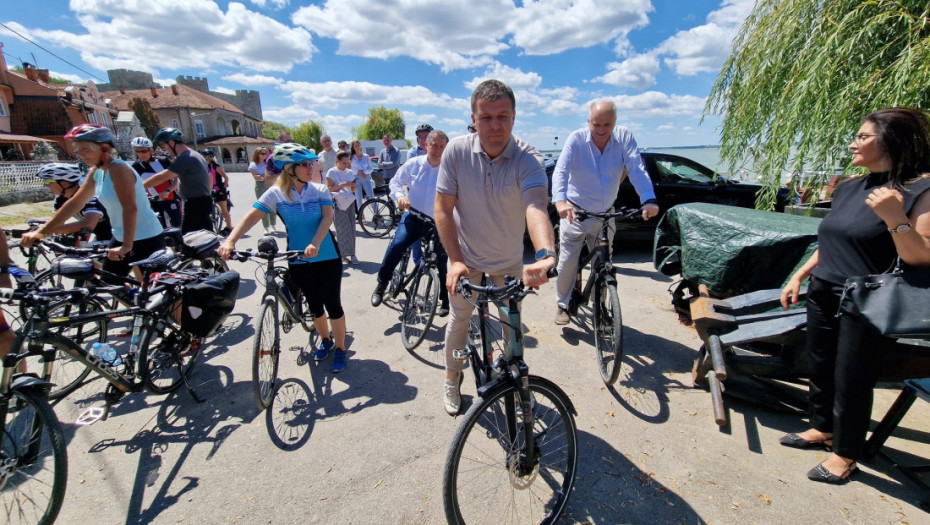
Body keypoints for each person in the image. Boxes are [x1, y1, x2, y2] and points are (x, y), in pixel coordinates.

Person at [779, 108, 930, 484]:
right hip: (823, 289)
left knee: (852, 377)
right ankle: (822, 428)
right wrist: (799, 274)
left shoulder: (919, 190)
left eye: (863, 137)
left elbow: (921, 256)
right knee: (820, 365)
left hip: (868, 299)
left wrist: (896, 217)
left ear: (892, 140)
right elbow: (833, 238)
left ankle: (846, 454)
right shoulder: (848, 186)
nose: (853, 143)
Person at [435, 79, 556, 415]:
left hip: (507, 261)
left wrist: (545, 254)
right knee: (460, 319)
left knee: (511, 324)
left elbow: (535, 207)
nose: (495, 125)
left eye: (502, 116)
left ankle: (516, 383)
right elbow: (443, 210)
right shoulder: (457, 152)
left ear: (514, 117)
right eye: (486, 117)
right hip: (466, 258)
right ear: (473, 119)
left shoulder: (528, 159)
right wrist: (455, 261)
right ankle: (452, 376)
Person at [218, 143, 350, 373]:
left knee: (333, 304)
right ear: (289, 169)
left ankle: (340, 348)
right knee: (314, 304)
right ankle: (326, 340)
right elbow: (252, 216)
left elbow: (327, 218)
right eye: (305, 164)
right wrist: (230, 240)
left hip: (327, 255)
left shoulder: (318, 190)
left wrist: (315, 243)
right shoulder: (275, 194)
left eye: (312, 163)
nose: (311, 168)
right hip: (298, 257)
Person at [551, 100, 660, 324]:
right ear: (588, 121)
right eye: (596, 124)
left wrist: (648, 199)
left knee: (602, 263)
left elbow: (636, 168)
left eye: (607, 125)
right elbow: (560, 171)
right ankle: (562, 304)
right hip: (576, 213)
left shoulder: (624, 138)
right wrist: (560, 202)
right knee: (568, 261)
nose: (601, 130)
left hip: (605, 214)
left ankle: (600, 305)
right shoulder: (577, 139)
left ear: (615, 123)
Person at [23, 124, 164, 279]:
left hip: (145, 237)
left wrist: (126, 246)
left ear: (103, 148)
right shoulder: (97, 171)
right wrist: (43, 231)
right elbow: (76, 202)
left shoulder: (119, 169)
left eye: (85, 149)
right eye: (78, 149)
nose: (80, 154)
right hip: (121, 236)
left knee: (157, 293)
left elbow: (130, 208)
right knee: (110, 284)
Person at [371, 130, 450, 314]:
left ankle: (445, 300)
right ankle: (382, 284)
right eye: (434, 145)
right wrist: (399, 197)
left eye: (441, 146)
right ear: (426, 145)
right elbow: (396, 182)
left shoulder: (449, 169)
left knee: (442, 259)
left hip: (437, 222)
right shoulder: (414, 164)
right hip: (414, 216)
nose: (437, 149)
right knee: (397, 245)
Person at [143, 127, 213, 234]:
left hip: (194, 204)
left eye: (164, 146)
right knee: (206, 236)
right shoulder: (195, 154)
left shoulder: (185, 158)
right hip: (202, 201)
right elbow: (209, 177)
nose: (164, 150)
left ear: (171, 142)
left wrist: (139, 186)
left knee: (189, 240)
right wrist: (169, 190)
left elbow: (163, 176)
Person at [34, 162, 112, 243]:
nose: (44, 185)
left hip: (119, 236)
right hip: (102, 235)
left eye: (47, 181)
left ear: (64, 183)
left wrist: (47, 230)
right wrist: (41, 230)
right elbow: (56, 222)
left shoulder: (90, 194)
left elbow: (88, 224)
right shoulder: (61, 198)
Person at [131, 136, 181, 228]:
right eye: (137, 151)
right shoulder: (136, 166)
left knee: (177, 225)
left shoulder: (163, 161)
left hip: (170, 198)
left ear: (151, 151)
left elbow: (176, 178)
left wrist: (169, 190)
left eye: (144, 151)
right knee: (159, 227)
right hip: (153, 202)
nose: (141, 154)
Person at [325, 151, 358, 265]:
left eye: (347, 162)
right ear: (337, 161)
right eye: (344, 163)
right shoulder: (332, 172)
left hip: (349, 201)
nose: (346, 165)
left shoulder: (350, 172)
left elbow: (353, 188)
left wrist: (353, 186)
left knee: (352, 227)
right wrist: (343, 185)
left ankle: (353, 253)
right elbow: (329, 188)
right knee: (342, 229)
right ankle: (343, 254)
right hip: (337, 202)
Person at [201, 149, 233, 235]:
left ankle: (229, 227)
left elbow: (225, 177)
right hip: (207, 190)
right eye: (205, 156)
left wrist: (224, 186)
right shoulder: (202, 166)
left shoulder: (215, 166)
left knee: (224, 210)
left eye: (209, 156)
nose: (207, 158)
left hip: (218, 189)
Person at [249, 148, 277, 234]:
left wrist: (267, 176)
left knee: (272, 205)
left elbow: (273, 173)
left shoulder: (268, 163)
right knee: (263, 206)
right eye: (263, 153)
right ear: (257, 154)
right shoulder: (253, 164)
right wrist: (265, 176)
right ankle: (266, 227)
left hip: (270, 184)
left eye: (266, 153)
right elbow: (256, 176)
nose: (265, 155)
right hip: (260, 185)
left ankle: (273, 225)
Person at [350, 139, 374, 208]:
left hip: (365, 177)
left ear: (360, 146)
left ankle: (376, 213)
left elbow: (370, 168)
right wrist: (358, 172)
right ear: (353, 148)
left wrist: (364, 172)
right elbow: (350, 170)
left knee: (371, 195)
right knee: (358, 197)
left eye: (358, 145)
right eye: (355, 146)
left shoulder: (366, 156)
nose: (357, 147)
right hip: (356, 178)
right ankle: (361, 215)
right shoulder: (351, 158)